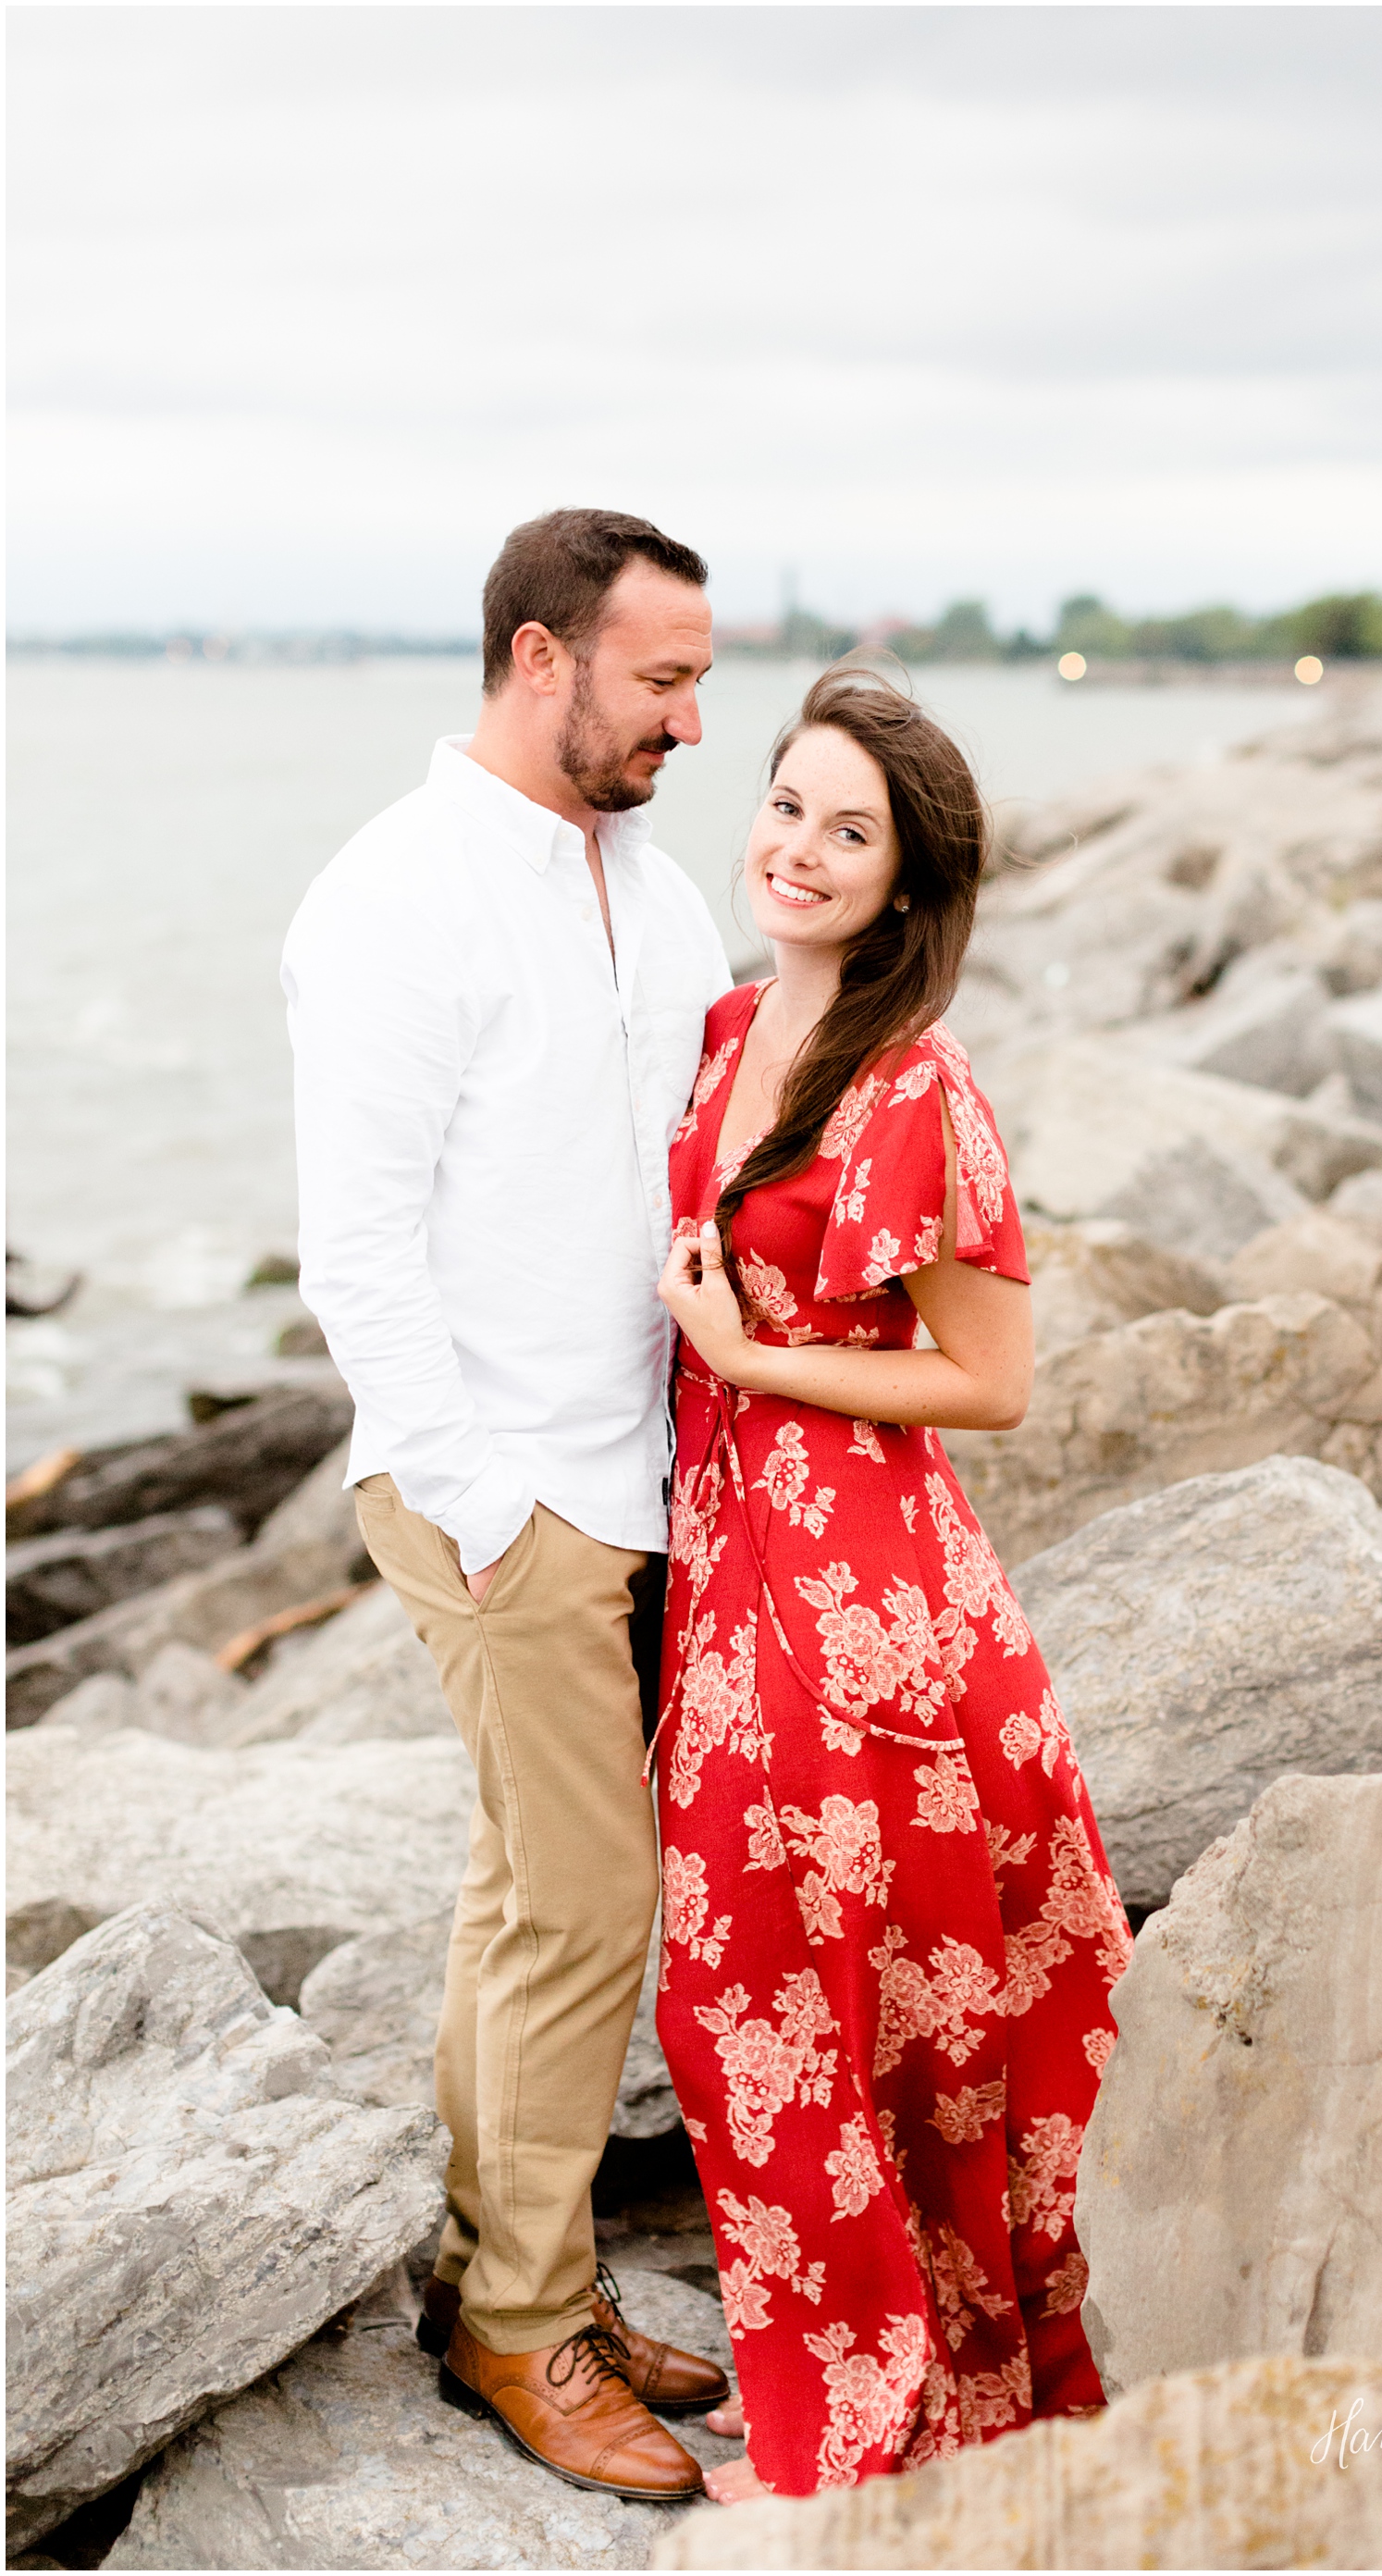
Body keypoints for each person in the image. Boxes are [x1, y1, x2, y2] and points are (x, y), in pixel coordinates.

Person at [282, 508, 735, 2504]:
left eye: (702, 680)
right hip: (503, 1483)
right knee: (586, 1900)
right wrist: (480, 1505)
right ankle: (525, 2332)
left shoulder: (662, 888)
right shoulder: (394, 899)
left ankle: (502, 2271)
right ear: (541, 660)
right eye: (661, 680)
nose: (692, 720)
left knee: (516, 1891)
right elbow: (353, 1245)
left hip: (633, 1467)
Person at [653, 663, 1133, 2503]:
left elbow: (993, 1382)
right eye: (787, 805)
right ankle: (851, 2369)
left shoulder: (923, 1091)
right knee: (758, 1987)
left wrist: (760, 1361)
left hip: (865, 1595)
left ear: (906, 883)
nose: (798, 847)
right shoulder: (715, 1032)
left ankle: (869, 2414)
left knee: (799, 1985)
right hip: (725, 1559)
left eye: (847, 832)